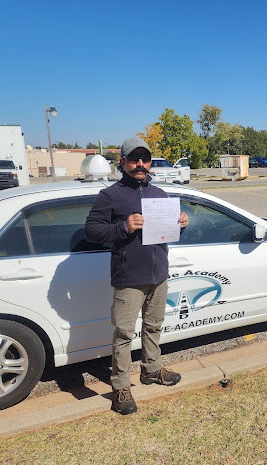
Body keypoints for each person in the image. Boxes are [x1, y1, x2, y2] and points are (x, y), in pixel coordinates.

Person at [85, 137, 189, 415]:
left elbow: (169, 234)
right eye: (134, 159)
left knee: (154, 326)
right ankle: (120, 386)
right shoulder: (110, 195)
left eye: (145, 159)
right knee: (123, 334)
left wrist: (181, 223)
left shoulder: (159, 194)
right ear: (122, 163)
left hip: (159, 275)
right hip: (129, 278)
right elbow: (92, 231)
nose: (140, 164)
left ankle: (152, 370)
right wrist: (124, 226)